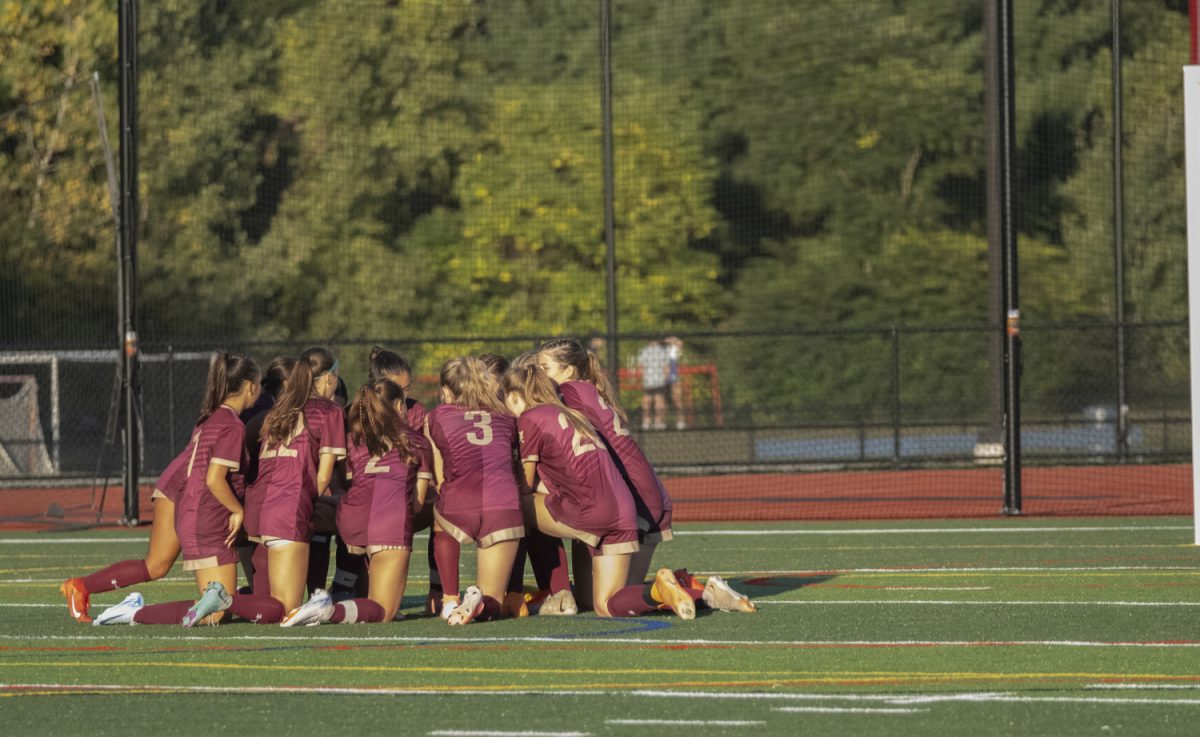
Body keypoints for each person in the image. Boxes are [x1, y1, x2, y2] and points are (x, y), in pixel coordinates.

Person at [538, 338, 755, 613]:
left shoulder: (567, 395)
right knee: (617, 598)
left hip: (628, 502)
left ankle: (670, 587)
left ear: (568, 371)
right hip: (651, 498)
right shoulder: (594, 392)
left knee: (607, 605)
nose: (539, 376)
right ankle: (702, 592)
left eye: (544, 368)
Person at [92, 353, 284, 626]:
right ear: (251, 386)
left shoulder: (210, 418)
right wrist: (237, 510)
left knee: (217, 606)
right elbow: (214, 479)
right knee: (217, 612)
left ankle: (132, 610)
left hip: (195, 514)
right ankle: (132, 613)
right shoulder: (232, 426)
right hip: (208, 518)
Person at [501, 363, 695, 619]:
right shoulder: (572, 413)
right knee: (606, 604)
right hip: (624, 510)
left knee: (513, 504)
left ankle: (518, 593)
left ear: (515, 396)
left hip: (592, 512)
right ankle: (665, 591)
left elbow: (524, 484)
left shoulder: (529, 417)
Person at [281, 380, 433, 625]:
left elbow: (343, 483)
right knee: (384, 611)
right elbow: (416, 504)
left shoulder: (353, 440)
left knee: (372, 601)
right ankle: (327, 608)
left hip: (352, 520)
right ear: (397, 405)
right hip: (388, 521)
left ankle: (340, 591)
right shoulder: (415, 441)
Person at [244, 347, 347, 615]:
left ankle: (231, 599)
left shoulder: (279, 409)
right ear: (328, 378)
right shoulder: (330, 411)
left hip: (267, 509)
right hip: (291, 509)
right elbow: (323, 477)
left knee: (274, 607)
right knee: (287, 609)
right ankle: (227, 600)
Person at [424, 356, 524, 625]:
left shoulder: (436, 416)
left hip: (459, 505)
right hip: (502, 506)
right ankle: (478, 601)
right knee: (493, 604)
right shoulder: (505, 414)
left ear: (446, 391)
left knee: (440, 521)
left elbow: (440, 473)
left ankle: (448, 599)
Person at [59, 446, 190, 622]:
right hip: (185, 484)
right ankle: (83, 588)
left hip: (201, 487)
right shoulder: (225, 422)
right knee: (156, 566)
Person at [359, 345, 444, 615]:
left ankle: (438, 590)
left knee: (443, 509)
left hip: (391, 506)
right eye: (400, 391)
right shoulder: (356, 413)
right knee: (381, 612)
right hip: (376, 510)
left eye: (409, 389)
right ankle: (344, 588)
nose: (405, 397)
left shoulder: (416, 411)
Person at [237, 355, 295, 595]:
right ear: (286, 381)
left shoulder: (269, 406)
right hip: (247, 485)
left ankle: (256, 592)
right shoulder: (263, 409)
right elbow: (244, 445)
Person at [637, 339, 670, 431]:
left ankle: (646, 421)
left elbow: (640, 367)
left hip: (648, 380)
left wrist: (643, 378)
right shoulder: (662, 351)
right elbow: (666, 368)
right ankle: (658, 422)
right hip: (659, 380)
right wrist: (666, 379)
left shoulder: (644, 351)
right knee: (659, 400)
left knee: (647, 400)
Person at [664, 336, 686, 430]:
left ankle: (680, 421)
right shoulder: (659, 350)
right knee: (662, 401)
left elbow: (680, 343)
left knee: (678, 400)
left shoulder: (674, 349)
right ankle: (661, 422)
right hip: (661, 378)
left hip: (673, 377)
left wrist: (671, 339)